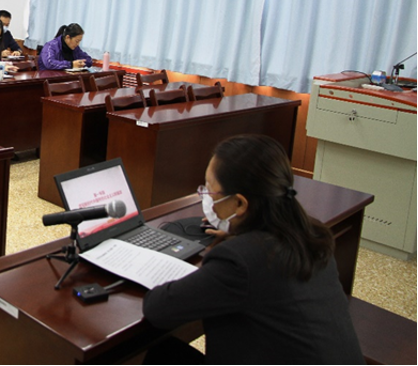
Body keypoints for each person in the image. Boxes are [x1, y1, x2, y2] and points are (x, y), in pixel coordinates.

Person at [142, 135, 364, 365]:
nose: (205, 198)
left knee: (162, 355)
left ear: (240, 203)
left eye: (209, 190)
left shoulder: (241, 260)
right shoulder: (310, 233)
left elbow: (158, 309)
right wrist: (240, 237)